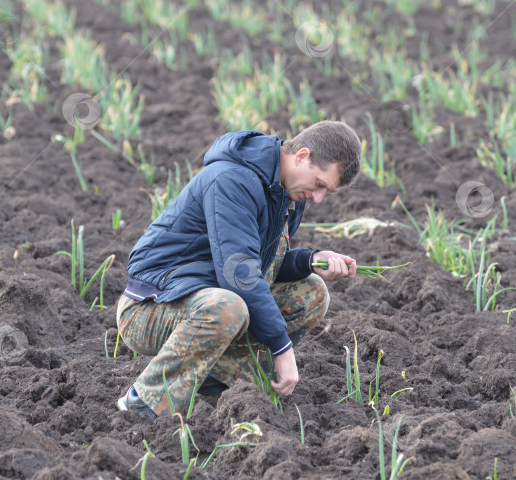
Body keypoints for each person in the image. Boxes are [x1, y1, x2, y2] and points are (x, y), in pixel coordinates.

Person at [115, 121, 362, 419]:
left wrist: (310, 260)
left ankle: (214, 380)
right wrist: (282, 348)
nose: (319, 197)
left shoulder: (286, 192)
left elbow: (261, 266)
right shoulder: (232, 180)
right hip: (150, 307)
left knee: (311, 292)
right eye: (320, 184)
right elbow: (239, 274)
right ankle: (142, 403)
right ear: (301, 156)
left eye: (328, 191)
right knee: (227, 307)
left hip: (203, 295)